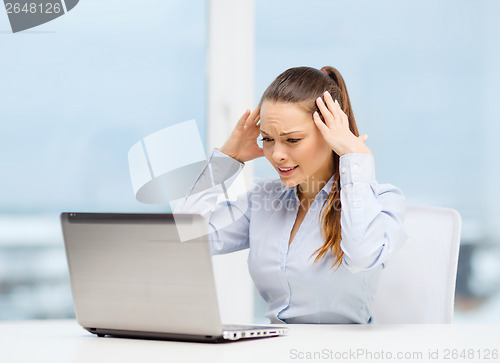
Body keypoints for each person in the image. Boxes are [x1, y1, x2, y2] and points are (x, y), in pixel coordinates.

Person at [175, 66, 408, 324]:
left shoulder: (381, 201)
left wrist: (356, 157)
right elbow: (189, 236)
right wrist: (227, 159)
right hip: (273, 349)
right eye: (267, 139)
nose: (277, 155)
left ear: (330, 134)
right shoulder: (263, 199)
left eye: (292, 140)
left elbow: (362, 255)